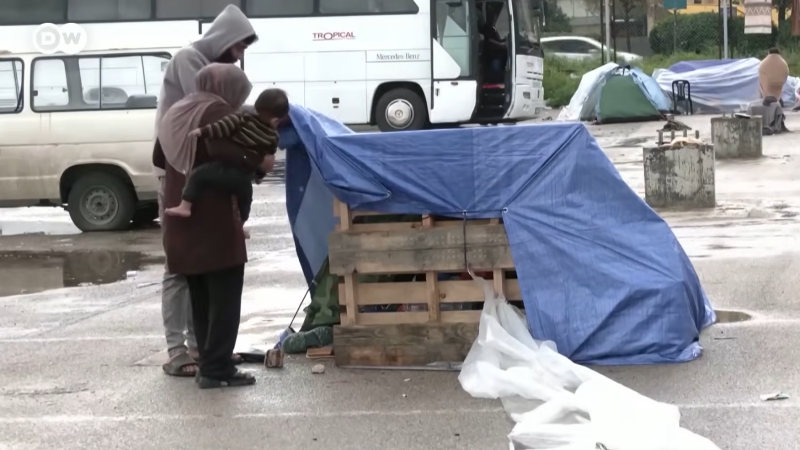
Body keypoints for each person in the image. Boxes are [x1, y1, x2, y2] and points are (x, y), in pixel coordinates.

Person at [153, 4, 260, 377]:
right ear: (225, 39)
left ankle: (207, 351)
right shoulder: (190, 63)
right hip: (179, 172)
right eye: (239, 46)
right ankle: (179, 351)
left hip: (193, 170)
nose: (240, 54)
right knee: (180, 265)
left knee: (197, 264)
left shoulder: (209, 105)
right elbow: (215, 110)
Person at [164, 90, 286, 220]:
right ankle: (241, 226)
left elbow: (221, 127)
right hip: (245, 177)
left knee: (197, 174)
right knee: (245, 202)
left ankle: (185, 206)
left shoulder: (242, 118)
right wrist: (259, 176)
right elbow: (267, 161)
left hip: (227, 170)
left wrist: (203, 131)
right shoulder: (274, 137)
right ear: (276, 121)